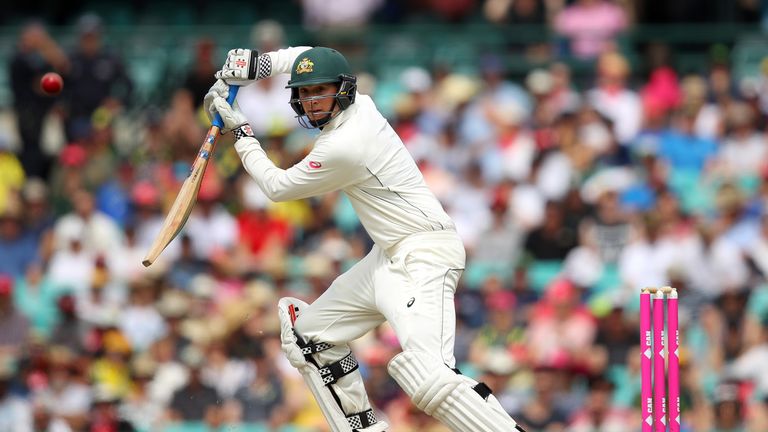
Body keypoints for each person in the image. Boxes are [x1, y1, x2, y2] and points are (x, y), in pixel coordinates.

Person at [207, 46, 525, 431]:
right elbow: (311, 55)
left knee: (428, 376)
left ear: (343, 90)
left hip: (425, 254)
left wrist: (240, 132)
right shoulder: (364, 105)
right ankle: (363, 427)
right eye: (304, 93)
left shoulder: (345, 146)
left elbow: (276, 187)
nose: (311, 101)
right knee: (309, 337)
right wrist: (262, 65)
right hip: (387, 256)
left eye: (319, 91)